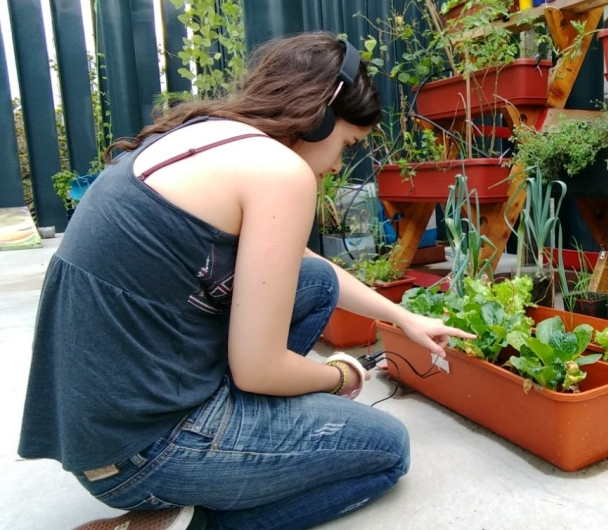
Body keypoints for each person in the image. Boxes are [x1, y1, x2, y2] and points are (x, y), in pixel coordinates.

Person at [18, 32, 474, 530]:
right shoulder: (282, 173)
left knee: (316, 281)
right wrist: (344, 375)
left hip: (104, 427)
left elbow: (298, 262)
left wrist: (403, 317)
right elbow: (259, 370)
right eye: (348, 143)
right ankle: (185, 522)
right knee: (387, 450)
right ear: (320, 115)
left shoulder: (207, 136)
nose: (341, 162)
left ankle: (235, 447)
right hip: (144, 451)